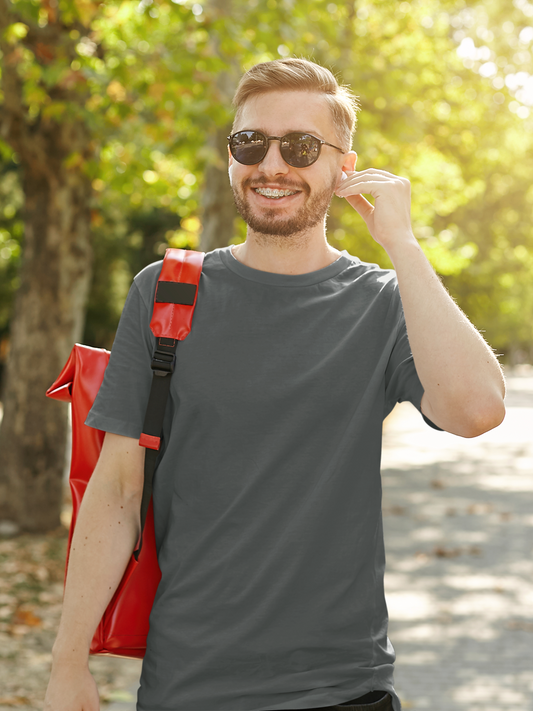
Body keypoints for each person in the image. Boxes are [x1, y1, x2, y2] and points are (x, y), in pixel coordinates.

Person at [44, 58, 505, 711]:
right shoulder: (166, 290)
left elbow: (477, 409)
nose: (271, 164)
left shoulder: (381, 302)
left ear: (344, 167)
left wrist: (402, 244)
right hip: (188, 687)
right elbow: (117, 488)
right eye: (249, 143)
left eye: (301, 146)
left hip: (343, 690)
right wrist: (67, 661)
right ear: (231, 157)